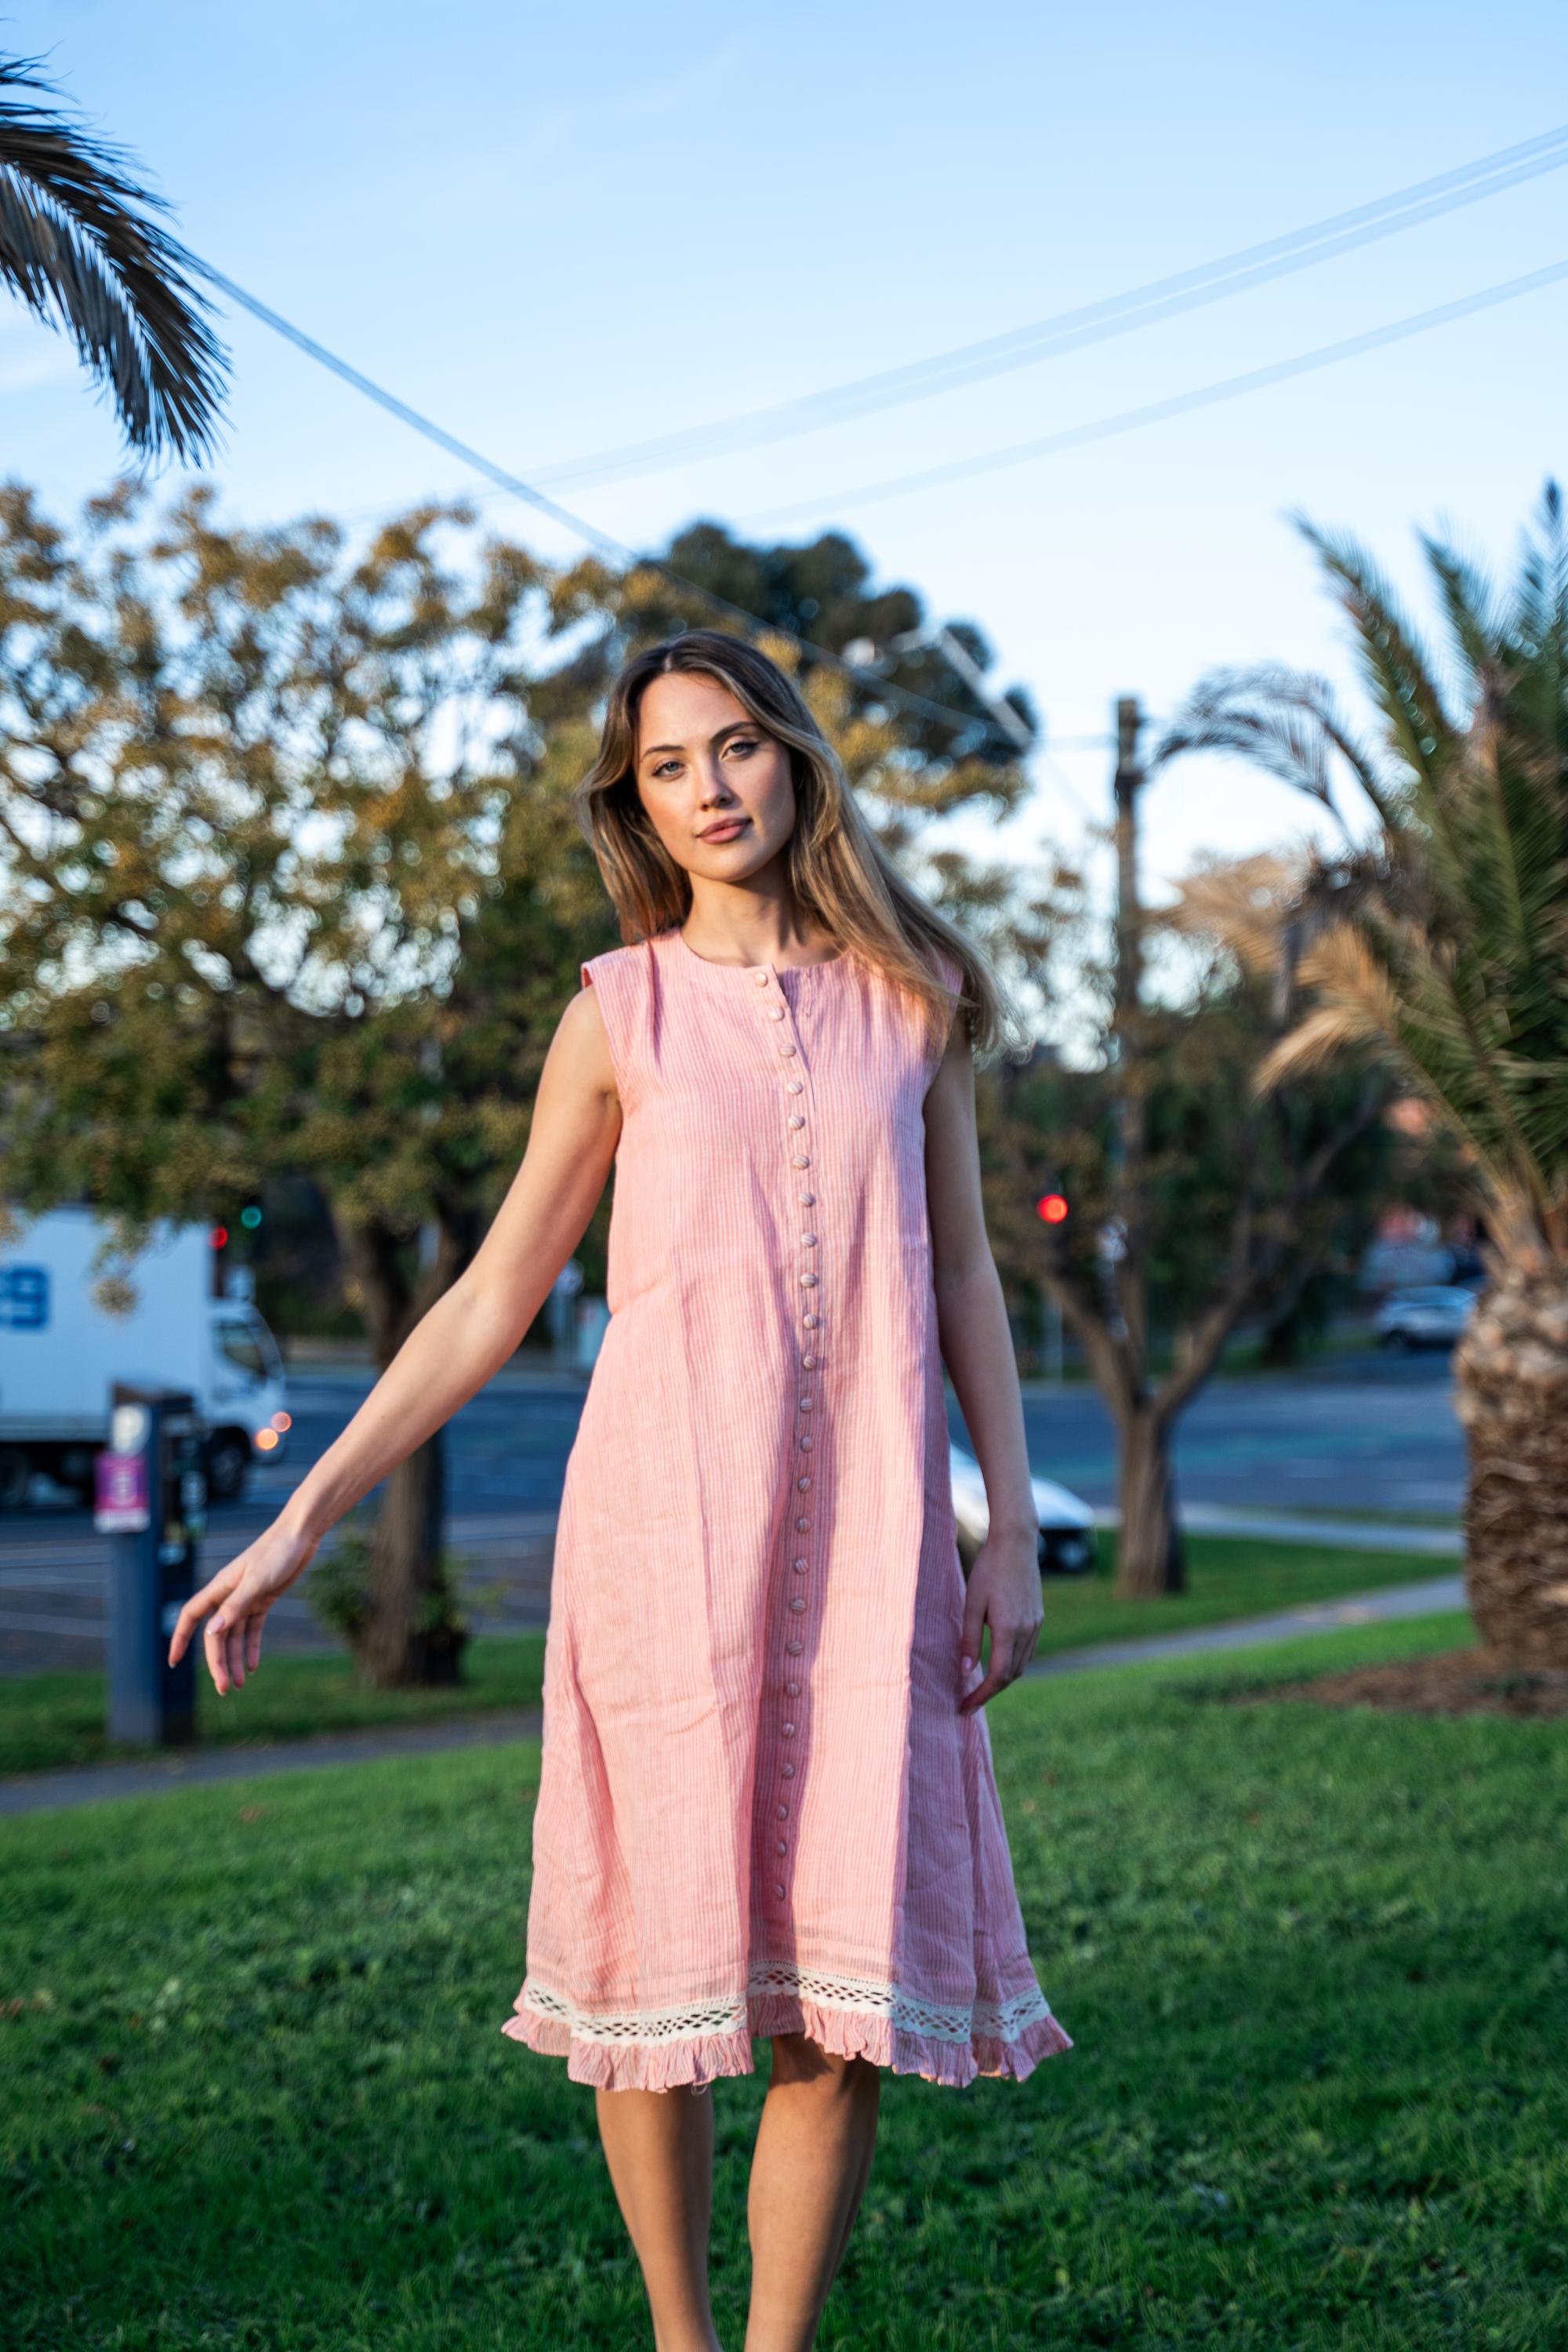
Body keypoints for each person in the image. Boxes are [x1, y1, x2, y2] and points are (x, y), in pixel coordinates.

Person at [169, 629, 1072, 2352]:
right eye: (669, 766)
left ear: (795, 759)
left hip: (876, 1545)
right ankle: (675, 2336)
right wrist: (309, 1512)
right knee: (659, 1977)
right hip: (665, 1545)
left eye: (735, 748)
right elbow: (495, 1292)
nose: (710, 788)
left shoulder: (916, 996)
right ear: (636, 802)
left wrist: (1008, 1525)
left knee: (825, 2010)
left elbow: (965, 1276)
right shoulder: (618, 1011)